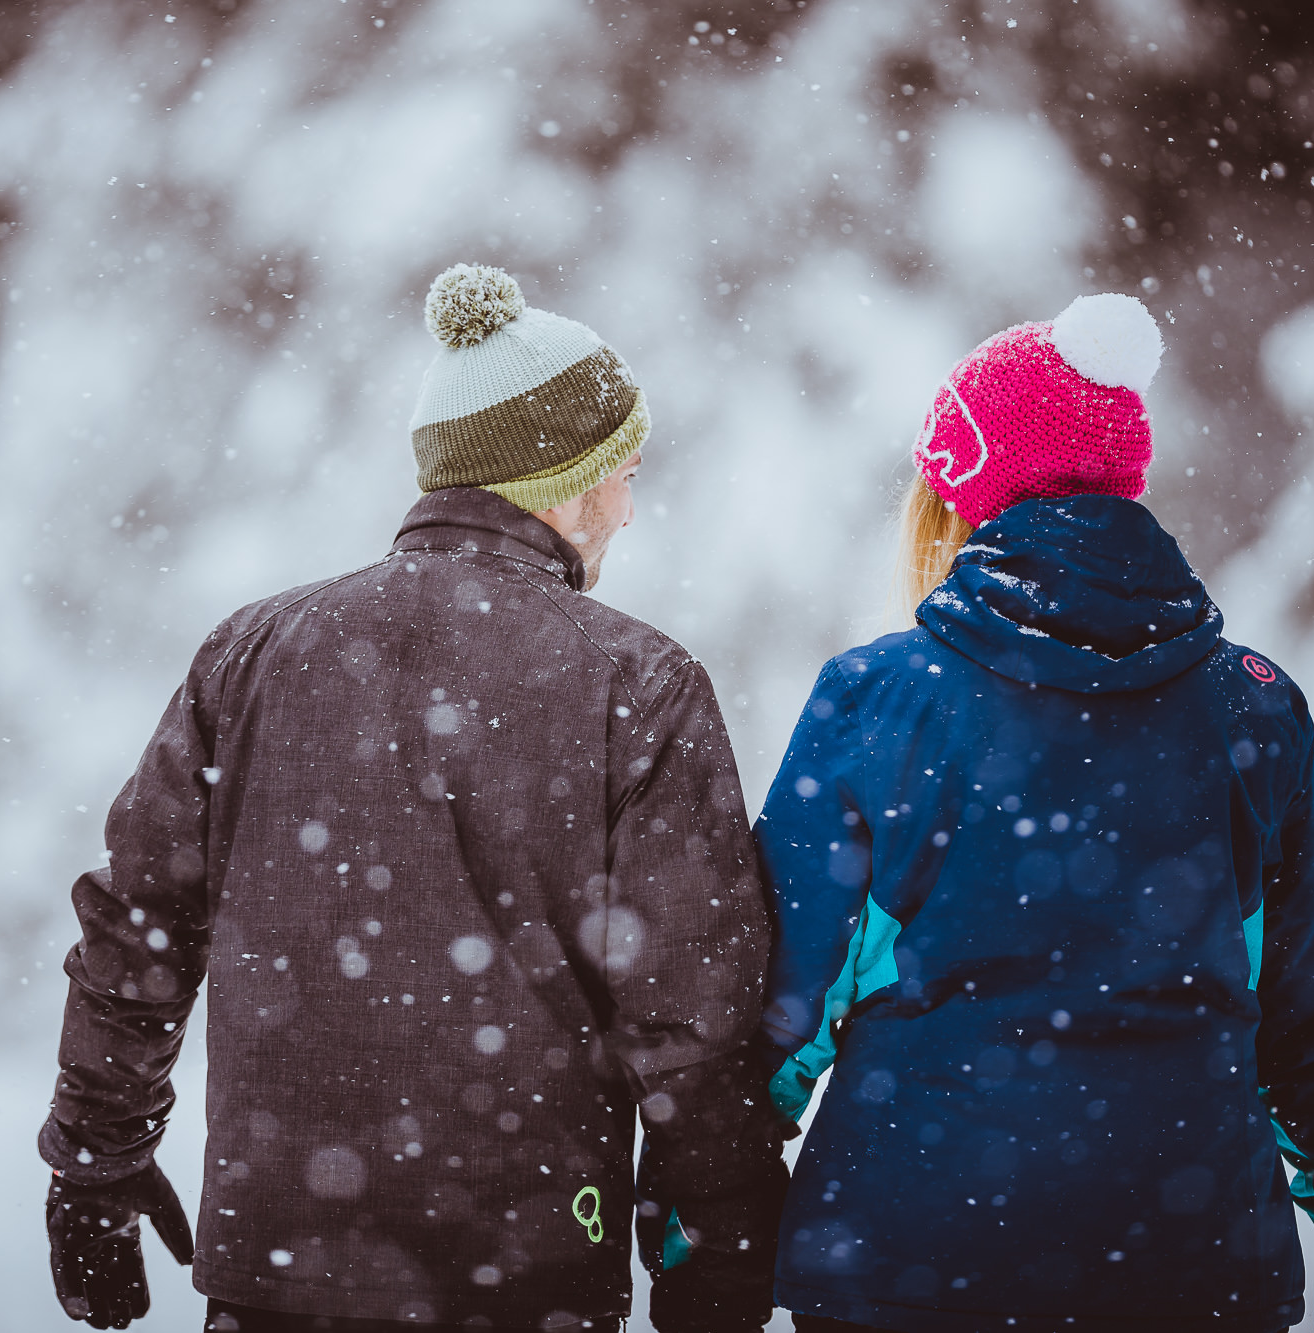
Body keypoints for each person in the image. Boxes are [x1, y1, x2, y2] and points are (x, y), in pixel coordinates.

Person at [39, 263, 788, 1333]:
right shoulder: (638, 682)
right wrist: (717, 1249)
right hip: (524, 1274)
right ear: (561, 479)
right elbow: (693, 1015)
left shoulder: (250, 655)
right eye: (622, 472)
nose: (627, 507)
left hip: (276, 1271)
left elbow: (138, 930)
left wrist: (94, 1161)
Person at [753, 294, 1314, 1333]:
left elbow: (773, 1011)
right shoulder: (1249, 709)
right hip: (1191, 1267)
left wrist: (705, 1232)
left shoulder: (880, 701)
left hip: (908, 1269)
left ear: (958, 501)